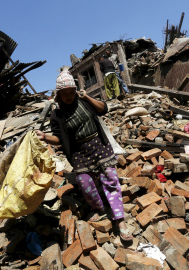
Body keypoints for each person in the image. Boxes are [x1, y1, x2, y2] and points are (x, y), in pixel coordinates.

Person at [35, 69, 133, 241]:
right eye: (64, 94)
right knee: (85, 183)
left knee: (110, 179)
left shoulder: (83, 101)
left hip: (99, 144)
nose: (68, 96)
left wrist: (87, 97)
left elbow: (104, 109)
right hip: (79, 152)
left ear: (75, 90)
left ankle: (120, 220)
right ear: (58, 94)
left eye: (71, 92)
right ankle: (99, 208)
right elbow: (58, 139)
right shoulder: (56, 115)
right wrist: (45, 137)